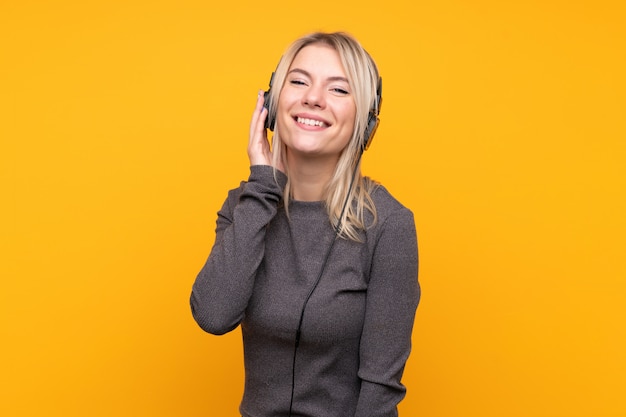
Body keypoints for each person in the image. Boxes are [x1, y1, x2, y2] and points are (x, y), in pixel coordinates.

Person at [190, 31, 420, 417]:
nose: (313, 98)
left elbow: (380, 392)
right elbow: (213, 314)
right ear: (272, 105)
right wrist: (263, 184)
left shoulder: (388, 225)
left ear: (365, 122)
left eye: (338, 89)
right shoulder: (247, 206)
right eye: (298, 82)